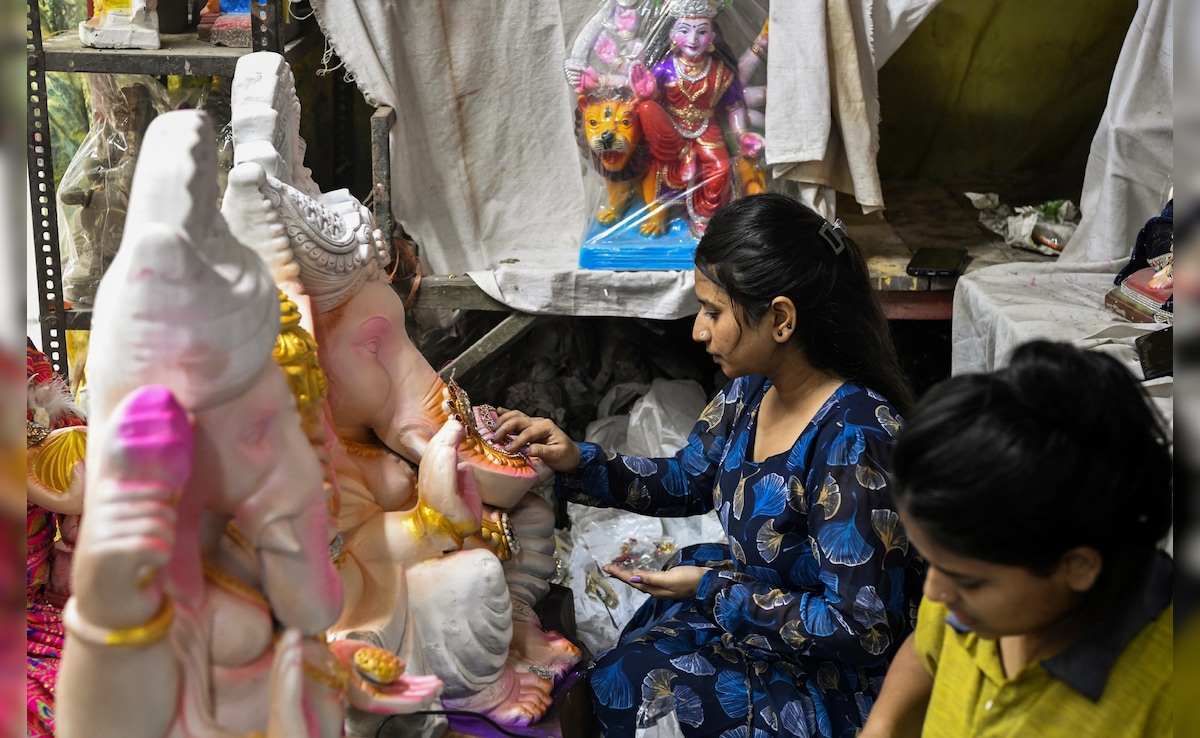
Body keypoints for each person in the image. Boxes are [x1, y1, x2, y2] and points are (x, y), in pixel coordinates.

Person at [496, 193, 925, 737]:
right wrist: (575, 459)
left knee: (630, 688)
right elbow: (688, 479)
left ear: (781, 320)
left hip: (835, 680)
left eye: (713, 312)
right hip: (757, 617)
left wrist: (711, 589)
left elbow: (859, 628)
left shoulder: (856, 441)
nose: (698, 330)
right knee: (610, 672)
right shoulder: (749, 392)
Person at [859, 341, 1173, 738]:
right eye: (931, 562)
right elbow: (929, 649)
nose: (934, 592)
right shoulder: (972, 585)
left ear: (1077, 567)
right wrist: (885, 723)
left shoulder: (1170, 698)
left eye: (966, 579)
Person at [628, 0, 763, 237]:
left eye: (701, 32)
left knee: (721, 167)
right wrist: (642, 88)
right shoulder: (665, 68)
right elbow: (652, 99)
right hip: (672, 129)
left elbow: (733, 106)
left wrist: (742, 134)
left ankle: (704, 218)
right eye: (684, 31)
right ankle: (682, 158)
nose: (692, 40)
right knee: (647, 111)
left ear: (712, 37)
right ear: (671, 34)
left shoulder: (721, 71)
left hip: (706, 128)